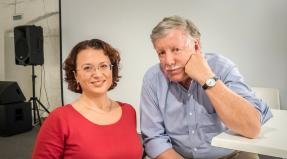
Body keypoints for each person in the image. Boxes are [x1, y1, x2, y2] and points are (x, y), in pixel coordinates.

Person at [140, 16, 272, 159]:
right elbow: (154, 138)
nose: (169, 61)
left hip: (233, 155)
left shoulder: (222, 68)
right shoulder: (152, 79)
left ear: (196, 46)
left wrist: (207, 79)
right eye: (161, 53)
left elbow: (251, 127)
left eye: (176, 49)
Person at [32, 39, 143, 159]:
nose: (97, 74)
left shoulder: (128, 111)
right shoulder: (59, 119)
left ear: (112, 70)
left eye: (103, 66)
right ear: (76, 76)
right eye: (87, 68)